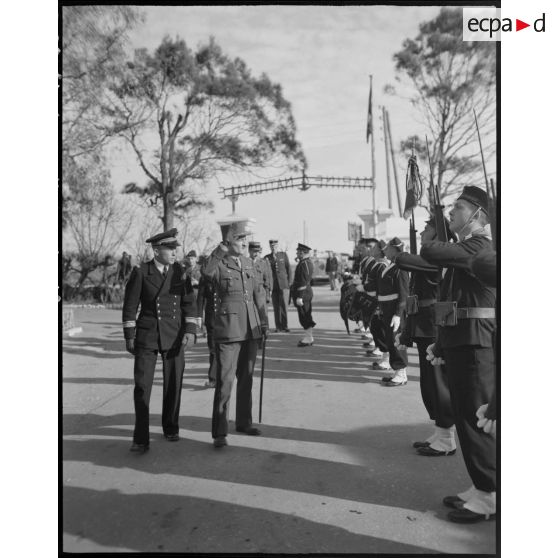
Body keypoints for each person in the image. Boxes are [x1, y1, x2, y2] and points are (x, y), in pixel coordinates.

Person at [420, 185, 496, 523]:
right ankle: (481, 487)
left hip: (477, 344)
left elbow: (431, 253)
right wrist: (441, 340)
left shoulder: (480, 245)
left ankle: (491, 494)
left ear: (478, 215)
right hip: (462, 340)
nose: (452, 213)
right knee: (468, 418)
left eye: (459, 208)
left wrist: (434, 231)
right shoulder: (466, 247)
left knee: (478, 419)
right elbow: (453, 302)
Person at [122, 229, 199, 453]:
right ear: (156, 251)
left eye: (176, 248)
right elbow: (130, 307)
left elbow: (189, 303)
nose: (175, 253)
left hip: (174, 334)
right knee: (142, 387)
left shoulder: (180, 272)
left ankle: (171, 427)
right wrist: (130, 335)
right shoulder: (141, 272)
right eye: (169, 249)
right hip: (147, 335)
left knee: (173, 383)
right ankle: (140, 438)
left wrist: (191, 330)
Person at [203, 218, 268, 448]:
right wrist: (220, 249)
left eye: (245, 238)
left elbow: (259, 294)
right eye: (240, 239)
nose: (244, 242)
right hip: (229, 329)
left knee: (246, 378)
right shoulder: (219, 264)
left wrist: (264, 323)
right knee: (225, 381)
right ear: (228, 241)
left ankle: (244, 422)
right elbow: (206, 272)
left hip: (251, 328)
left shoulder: (249, 263)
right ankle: (220, 431)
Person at [394, 218, 456, 456]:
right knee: (429, 383)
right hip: (423, 324)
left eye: (427, 228)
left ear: (439, 234)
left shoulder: (440, 258)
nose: (421, 232)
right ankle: (441, 432)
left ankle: (447, 438)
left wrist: (403, 253)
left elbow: (403, 260)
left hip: (433, 326)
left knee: (438, 383)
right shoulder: (432, 258)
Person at [376, 237, 409, 386]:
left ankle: (401, 374)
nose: (385, 250)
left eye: (388, 248)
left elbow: (403, 294)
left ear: (395, 249)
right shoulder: (392, 265)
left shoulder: (400, 268)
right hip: (387, 310)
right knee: (390, 340)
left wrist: (398, 314)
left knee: (396, 341)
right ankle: (397, 371)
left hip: (394, 311)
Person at [197, 259, 218, 388]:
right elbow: (200, 298)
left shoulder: (225, 275)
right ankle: (213, 379)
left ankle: (225, 377)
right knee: (213, 349)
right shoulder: (204, 279)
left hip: (226, 318)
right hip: (212, 319)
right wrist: (199, 316)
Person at [291, 243, 316, 347]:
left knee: (305, 316)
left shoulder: (305, 263)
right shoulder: (304, 262)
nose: (297, 253)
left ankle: (309, 338)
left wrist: (300, 296)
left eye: (298, 252)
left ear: (302, 252)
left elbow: (303, 281)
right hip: (304, 293)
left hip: (304, 294)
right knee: (304, 315)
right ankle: (308, 337)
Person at [264, 240, 291, 332]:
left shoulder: (283, 255)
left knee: (284, 306)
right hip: (273, 285)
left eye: (275, 246)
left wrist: (289, 283)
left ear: (278, 246)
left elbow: (289, 269)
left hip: (283, 285)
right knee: (276, 307)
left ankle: (285, 326)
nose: (273, 247)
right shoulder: (267, 257)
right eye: (271, 246)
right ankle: (278, 327)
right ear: (270, 247)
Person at [249, 241, 273, 305]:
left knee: (262, 314)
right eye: (254, 251)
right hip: (249, 293)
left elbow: (267, 280)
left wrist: (268, 295)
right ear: (249, 251)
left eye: (257, 252)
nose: (256, 254)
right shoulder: (245, 262)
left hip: (260, 293)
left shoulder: (263, 263)